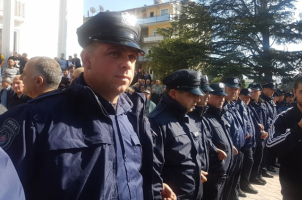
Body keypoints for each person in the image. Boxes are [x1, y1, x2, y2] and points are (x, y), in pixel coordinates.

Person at [0, 12, 176, 200]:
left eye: (132, 56)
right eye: (115, 53)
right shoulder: (33, 118)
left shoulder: (136, 114)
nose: (127, 64)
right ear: (87, 60)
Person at [149, 69, 205, 200]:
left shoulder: (187, 117)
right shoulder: (156, 122)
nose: (197, 99)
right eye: (191, 94)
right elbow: (152, 169)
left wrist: (195, 171)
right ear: (173, 93)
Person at [267, 73, 302, 200]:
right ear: (295, 92)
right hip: (294, 191)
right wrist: (299, 128)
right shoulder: (283, 118)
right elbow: (271, 148)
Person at [203, 82, 235, 200]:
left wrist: (230, 146)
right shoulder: (205, 116)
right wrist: (215, 151)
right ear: (208, 96)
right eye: (217, 96)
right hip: (214, 172)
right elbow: (205, 141)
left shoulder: (220, 114)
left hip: (224, 170)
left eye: (222, 96)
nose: (221, 99)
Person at [248, 83, 269, 186]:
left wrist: (268, 132)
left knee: (261, 157)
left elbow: (267, 119)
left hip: (264, 136)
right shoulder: (248, 104)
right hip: (255, 136)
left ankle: (258, 175)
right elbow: (251, 121)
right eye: (252, 91)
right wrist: (260, 132)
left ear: (260, 93)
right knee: (254, 158)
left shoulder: (263, 104)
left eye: (255, 91)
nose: (253, 93)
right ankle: (252, 177)